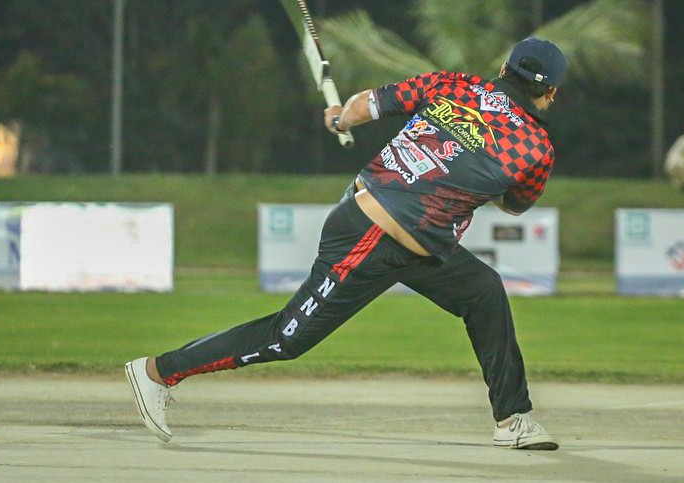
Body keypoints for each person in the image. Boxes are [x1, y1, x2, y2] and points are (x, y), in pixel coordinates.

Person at [124, 37, 567, 450]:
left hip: (417, 243)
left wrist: (339, 117)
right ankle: (157, 372)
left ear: (504, 68)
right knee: (285, 339)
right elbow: (514, 204)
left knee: (483, 290)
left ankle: (512, 418)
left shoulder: (454, 85)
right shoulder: (537, 148)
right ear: (549, 93)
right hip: (369, 236)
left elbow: (363, 106)